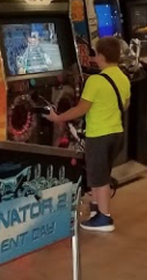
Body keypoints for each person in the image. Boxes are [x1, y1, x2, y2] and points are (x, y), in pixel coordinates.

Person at [46, 37, 129, 232]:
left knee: (98, 179)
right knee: (103, 174)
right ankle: (96, 210)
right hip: (117, 133)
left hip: (99, 135)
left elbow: (81, 109)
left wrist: (58, 118)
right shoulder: (123, 77)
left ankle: (104, 218)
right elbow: (125, 104)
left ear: (100, 56)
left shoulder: (95, 80)